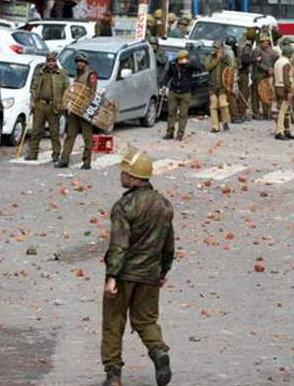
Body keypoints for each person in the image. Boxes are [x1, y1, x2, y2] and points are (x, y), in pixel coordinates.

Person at [101, 145, 174, 386]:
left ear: (133, 177)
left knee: (114, 322)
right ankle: (158, 351)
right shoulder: (163, 205)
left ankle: (113, 376)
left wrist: (112, 276)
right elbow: (168, 243)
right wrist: (164, 270)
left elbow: (119, 245)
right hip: (150, 274)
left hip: (124, 275)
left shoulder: (123, 207)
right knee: (146, 321)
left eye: (124, 171)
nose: (121, 175)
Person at [56, 53, 97, 170]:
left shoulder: (91, 75)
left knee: (87, 137)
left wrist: (84, 105)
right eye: (77, 62)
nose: (79, 64)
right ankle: (64, 160)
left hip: (85, 110)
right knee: (70, 135)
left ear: (86, 63)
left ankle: (87, 162)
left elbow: (92, 93)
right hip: (74, 109)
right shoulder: (77, 75)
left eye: (81, 62)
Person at [26, 52, 69, 162]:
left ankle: (56, 154)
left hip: (54, 106)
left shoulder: (62, 74)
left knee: (54, 133)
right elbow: (34, 88)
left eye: (53, 61)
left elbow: (67, 89)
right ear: (46, 62)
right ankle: (33, 153)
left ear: (55, 62)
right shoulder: (40, 73)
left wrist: (64, 103)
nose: (50, 63)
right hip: (40, 105)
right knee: (36, 131)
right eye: (49, 61)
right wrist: (32, 100)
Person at [163, 50, 202, 141]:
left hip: (185, 91)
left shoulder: (190, 65)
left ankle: (180, 133)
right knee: (171, 112)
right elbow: (168, 75)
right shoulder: (173, 63)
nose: (181, 60)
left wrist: (189, 63)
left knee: (183, 114)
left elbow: (200, 68)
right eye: (180, 58)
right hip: (174, 90)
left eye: (183, 58)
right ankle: (169, 132)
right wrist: (164, 84)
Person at [204, 40, 232, 133]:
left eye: (217, 48)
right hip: (212, 85)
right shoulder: (210, 57)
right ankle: (215, 126)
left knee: (223, 103)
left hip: (223, 85)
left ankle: (225, 122)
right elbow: (207, 67)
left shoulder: (227, 58)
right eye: (214, 47)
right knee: (213, 105)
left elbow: (231, 70)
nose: (215, 49)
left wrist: (230, 84)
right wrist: (217, 60)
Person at [250, 34, 278, 120]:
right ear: (261, 43)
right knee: (255, 95)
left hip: (267, 76)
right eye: (264, 43)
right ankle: (256, 113)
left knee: (267, 95)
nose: (266, 44)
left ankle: (267, 113)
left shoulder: (272, 51)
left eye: (267, 43)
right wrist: (267, 69)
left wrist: (273, 69)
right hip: (258, 75)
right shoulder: (257, 50)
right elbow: (257, 63)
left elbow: (276, 60)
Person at [274, 45, 294, 140]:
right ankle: (279, 131)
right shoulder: (286, 63)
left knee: (285, 110)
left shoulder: (278, 62)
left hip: (277, 86)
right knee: (283, 111)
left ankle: (287, 129)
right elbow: (286, 78)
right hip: (284, 87)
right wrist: (289, 91)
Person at [236, 29, 256, 122]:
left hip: (240, 71)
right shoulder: (247, 46)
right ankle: (241, 113)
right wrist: (255, 59)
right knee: (244, 93)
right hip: (244, 72)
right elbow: (245, 60)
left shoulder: (241, 43)